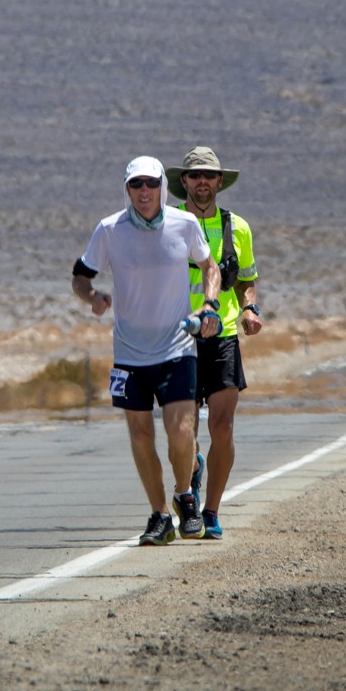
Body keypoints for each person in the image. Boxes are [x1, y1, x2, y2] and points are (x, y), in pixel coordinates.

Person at [73, 156, 222, 545]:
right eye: (136, 185)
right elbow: (80, 275)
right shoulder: (110, 230)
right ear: (127, 189)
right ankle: (159, 516)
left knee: (181, 429)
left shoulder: (184, 225)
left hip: (176, 348)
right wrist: (92, 296)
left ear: (162, 187)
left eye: (150, 184)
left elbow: (210, 268)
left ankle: (184, 494)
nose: (143, 192)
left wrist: (209, 305)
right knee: (140, 436)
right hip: (129, 354)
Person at [165, 145, 261, 540]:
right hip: (176, 339)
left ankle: (212, 511)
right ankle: (191, 470)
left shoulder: (237, 227)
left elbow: (247, 279)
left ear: (220, 181)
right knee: (181, 431)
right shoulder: (167, 224)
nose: (202, 181)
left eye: (209, 175)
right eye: (194, 175)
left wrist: (249, 310)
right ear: (183, 182)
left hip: (221, 338)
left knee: (223, 427)